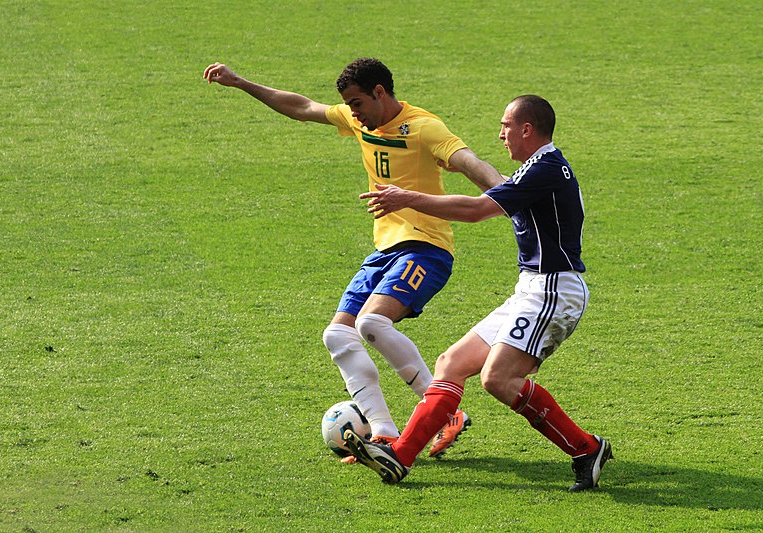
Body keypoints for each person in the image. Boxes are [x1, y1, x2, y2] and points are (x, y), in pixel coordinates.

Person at [203, 58, 505, 461]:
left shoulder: (423, 128)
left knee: (371, 323)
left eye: (358, 102)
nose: (353, 112)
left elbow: (470, 163)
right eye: (349, 105)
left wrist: (513, 193)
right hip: (385, 250)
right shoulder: (361, 119)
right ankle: (383, 432)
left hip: (426, 247)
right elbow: (302, 108)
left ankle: (446, 412)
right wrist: (240, 83)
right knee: (338, 335)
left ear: (380, 92)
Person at [344, 95, 613, 491]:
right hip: (532, 287)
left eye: (506, 125)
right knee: (451, 363)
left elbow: (474, 210)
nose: (500, 133)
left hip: (554, 288)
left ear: (527, 129)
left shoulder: (546, 169)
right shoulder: (535, 170)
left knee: (498, 379)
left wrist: (406, 197)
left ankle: (586, 449)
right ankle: (400, 457)